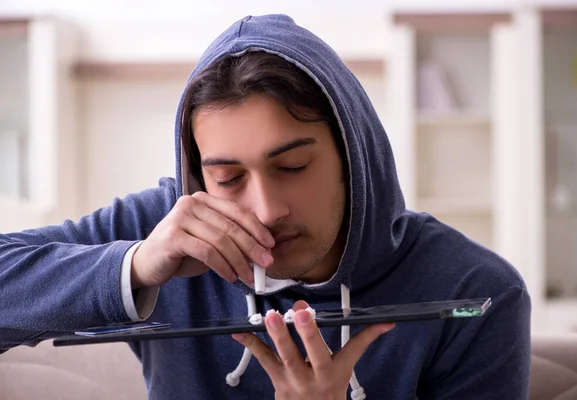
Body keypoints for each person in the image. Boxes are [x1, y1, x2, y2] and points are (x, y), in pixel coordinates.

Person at [0, 13, 531, 399]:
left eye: (293, 167)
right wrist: (135, 265)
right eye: (228, 177)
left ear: (353, 155)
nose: (266, 208)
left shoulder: (476, 293)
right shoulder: (166, 225)